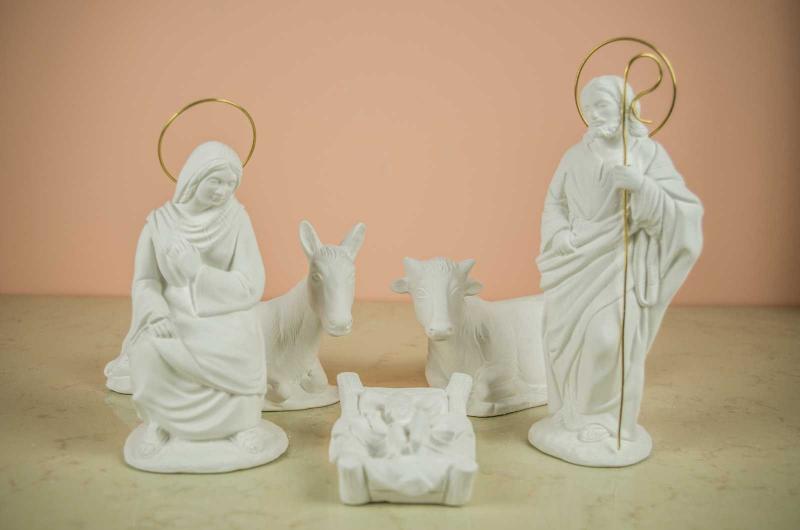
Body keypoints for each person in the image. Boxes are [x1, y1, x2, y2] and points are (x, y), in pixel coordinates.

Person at [529, 76, 703, 465]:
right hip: (576, 263)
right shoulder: (575, 155)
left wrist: (641, 186)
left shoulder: (647, 153)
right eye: (588, 107)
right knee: (564, 340)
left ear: (624, 106)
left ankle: (603, 420)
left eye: (602, 105)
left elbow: (682, 212)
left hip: (620, 263)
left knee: (608, 340)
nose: (593, 114)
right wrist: (558, 233)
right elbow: (554, 202)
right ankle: (572, 413)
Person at [117, 141, 268, 458]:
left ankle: (241, 425)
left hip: (224, 308)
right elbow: (146, 280)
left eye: (230, 184)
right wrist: (156, 314)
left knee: (242, 341)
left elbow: (251, 283)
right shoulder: (159, 223)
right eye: (215, 181)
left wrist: (198, 272)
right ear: (195, 177)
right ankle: (161, 423)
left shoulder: (237, 219)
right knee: (149, 349)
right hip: (172, 311)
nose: (222, 191)